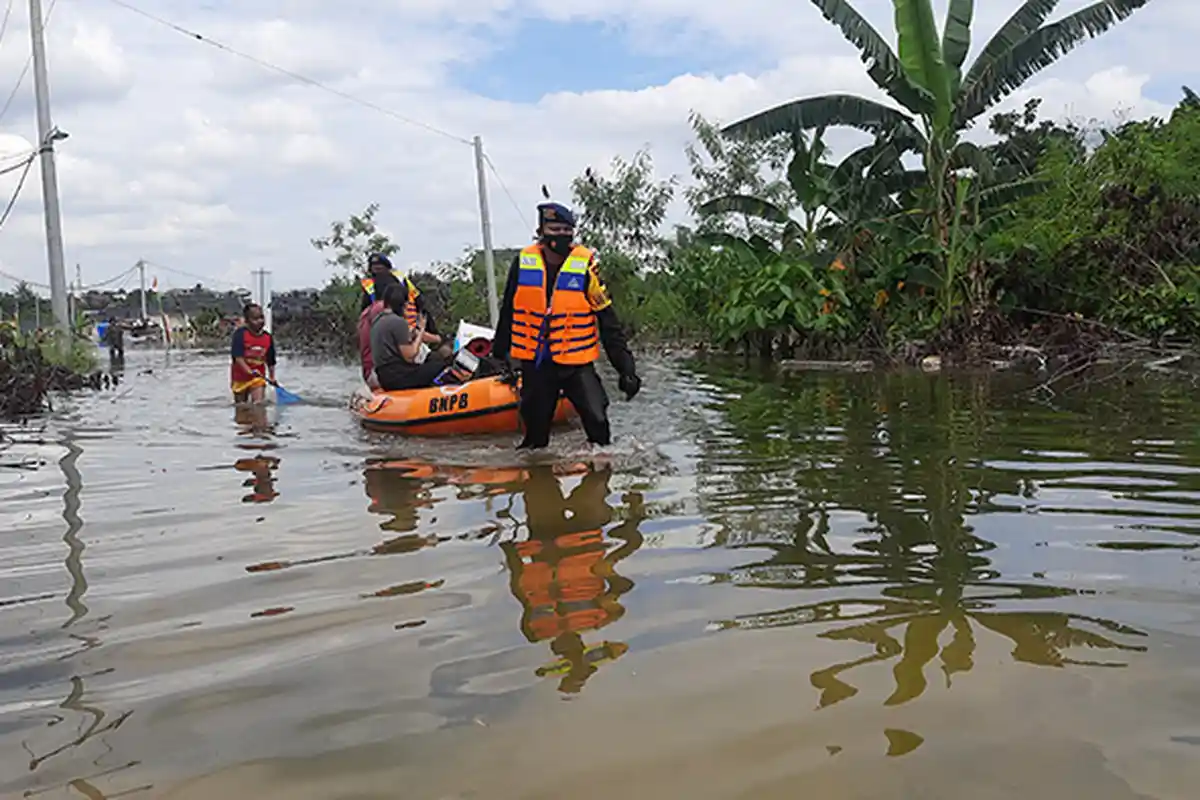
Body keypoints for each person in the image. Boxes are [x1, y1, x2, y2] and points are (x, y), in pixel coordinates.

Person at [491, 201, 641, 450]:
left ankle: (600, 477)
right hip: (537, 363)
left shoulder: (585, 267)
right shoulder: (523, 263)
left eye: (566, 230)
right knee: (535, 438)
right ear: (541, 232)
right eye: (555, 229)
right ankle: (537, 483)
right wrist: (500, 354)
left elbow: (607, 321)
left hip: (576, 363)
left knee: (598, 420)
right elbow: (509, 310)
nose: (562, 236)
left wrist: (626, 369)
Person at [370, 282, 454, 391]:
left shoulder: (376, 321)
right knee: (440, 365)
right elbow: (410, 356)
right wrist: (421, 330)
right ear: (402, 304)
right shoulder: (398, 322)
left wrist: (415, 332)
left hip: (383, 376)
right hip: (398, 376)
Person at [230, 302, 276, 403]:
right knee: (241, 406)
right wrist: (249, 371)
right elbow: (238, 358)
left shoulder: (267, 338)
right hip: (240, 377)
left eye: (261, 318)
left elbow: (271, 360)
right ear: (247, 321)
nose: (260, 321)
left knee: (258, 404)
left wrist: (272, 377)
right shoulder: (240, 335)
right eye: (255, 319)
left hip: (258, 378)